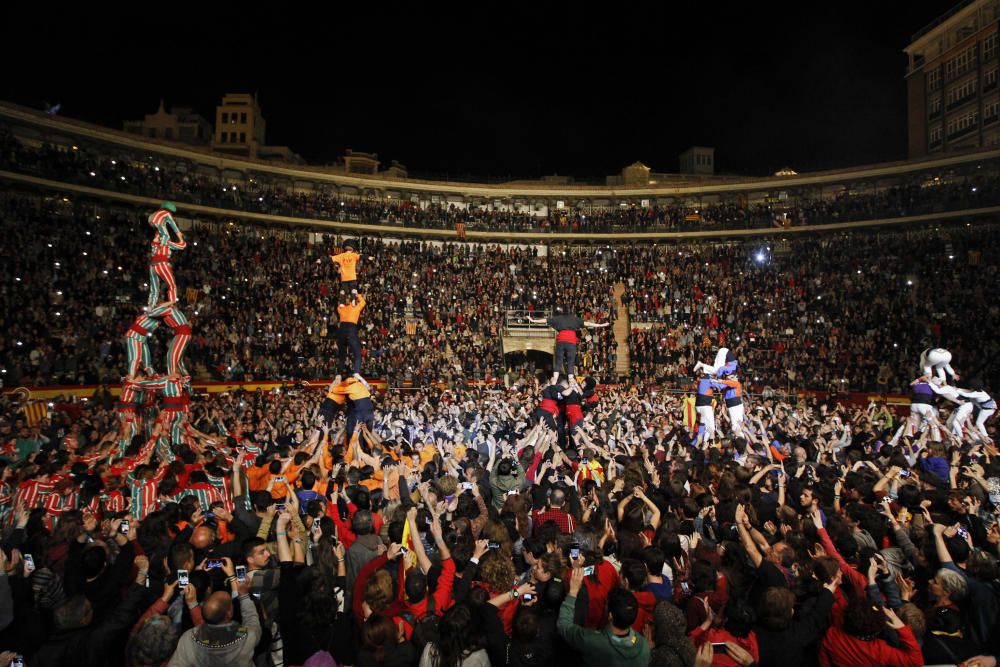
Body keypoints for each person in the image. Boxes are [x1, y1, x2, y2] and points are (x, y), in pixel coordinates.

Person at [556, 568, 650, 667]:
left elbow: (564, 626)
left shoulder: (592, 641)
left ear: (610, 616)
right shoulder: (644, 646)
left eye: (605, 604)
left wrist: (573, 592)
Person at [167, 567, 259, 667]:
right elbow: (252, 620)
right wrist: (244, 595)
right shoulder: (247, 638)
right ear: (229, 613)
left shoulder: (188, 639)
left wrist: (192, 604)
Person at [528, 308, 609, 385]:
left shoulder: (558, 318)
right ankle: (570, 379)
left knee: (558, 360)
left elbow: (545, 320)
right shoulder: (575, 319)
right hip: (571, 340)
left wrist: (533, 320)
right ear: (572, 313)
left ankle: (555, 378)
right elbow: (588, 323)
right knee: (571, 360)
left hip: (561, 339)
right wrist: (601, 325)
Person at [147, 202, 187, 308]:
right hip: (162, 264)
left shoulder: (154, 240)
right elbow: (182, 245)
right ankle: (171, 302)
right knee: (172, 285)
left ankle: (150, 306)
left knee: (154, 288)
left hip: (152, 266)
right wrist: (181, 237)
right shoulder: (165, 238)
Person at [337, 289, 367, 382]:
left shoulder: (340, 308)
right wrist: (356, 294)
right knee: (357, 354)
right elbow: (363, 302)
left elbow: (341, 302)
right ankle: (356, 372)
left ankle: (338, 374)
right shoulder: (355, 308)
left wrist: (343, 295)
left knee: (342, 355)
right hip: (351, 330)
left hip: (341, 331)